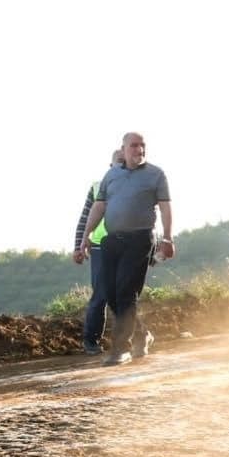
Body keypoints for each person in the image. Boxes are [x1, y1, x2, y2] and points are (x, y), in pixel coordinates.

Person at [79, 132, 174, 366]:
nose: (139, 150)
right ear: (123, 149)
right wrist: (86, 235)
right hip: (112, 240)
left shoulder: (156, 174)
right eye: (134, 146)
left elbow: (165, 208)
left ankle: (121, 348)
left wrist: (168, 239)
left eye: (142, 146)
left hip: (140, 239)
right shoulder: (111, 175)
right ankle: (141, 334)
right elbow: (99, 206)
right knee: (109, 291)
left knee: (125, 291)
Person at [71, 148, 124, 355]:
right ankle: (91, 340)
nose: (121, 164)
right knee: (101, 293)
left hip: (129, 246)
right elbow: (84, 219)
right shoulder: (97, 187)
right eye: (118, 161)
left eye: (124, 161)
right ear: (110, 165)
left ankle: (136, 335)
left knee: (125, 294)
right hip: (101, 246)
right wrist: (78, 246)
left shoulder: (138, 186)